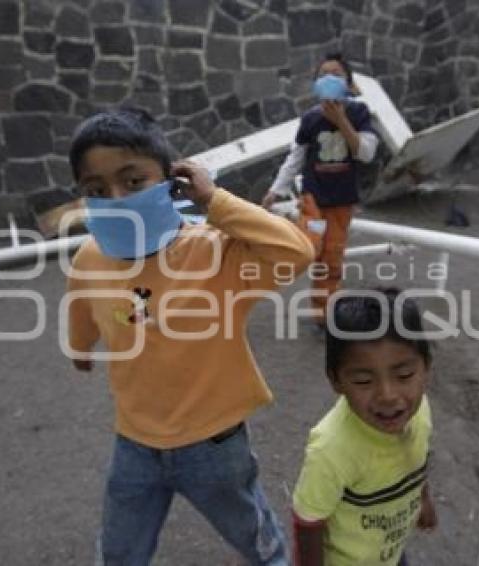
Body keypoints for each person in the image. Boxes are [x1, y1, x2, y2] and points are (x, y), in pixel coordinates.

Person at [65, 107, 314, 565]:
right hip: (134, 443)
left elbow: (296, 250)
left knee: (257, 540)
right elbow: (83, 305)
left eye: (132, 181)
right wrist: (80, 347)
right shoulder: (89, 257)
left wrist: (215, 201)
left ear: (171, 181)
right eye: (96, 190)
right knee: (119, 552)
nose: (115, 198)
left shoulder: (215, 251)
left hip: (214, 446)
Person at [292, 289, 437, 566]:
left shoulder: (419, 411)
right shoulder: (330, 450)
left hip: (390, 551)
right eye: (362, 381)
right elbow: (308, 521)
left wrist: (424, 498)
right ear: (336, 381)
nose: (388, 395)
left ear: (426, 367)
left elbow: (417, 459)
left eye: (404, 375)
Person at [262, 53, 379, 326]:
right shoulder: (310, 119)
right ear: (315, 84)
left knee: (332, 257)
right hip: (313, 198)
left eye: (336, 74)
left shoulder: (360, 113)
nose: (329, 79)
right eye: (323, 74)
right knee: (310, 249)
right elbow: (296, 158)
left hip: (341, 200)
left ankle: (325, 312)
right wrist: (275, 191)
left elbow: (366, 154)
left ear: (349, 85)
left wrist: (341, 121)